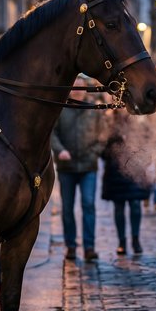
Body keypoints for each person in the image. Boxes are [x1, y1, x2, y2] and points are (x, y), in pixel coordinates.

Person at [51, 77, 107, 262]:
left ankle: (89, 247)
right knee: (67, 209)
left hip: (88, 167)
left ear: (86, 89)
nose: (77, 91)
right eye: (73, 87)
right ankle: (71, 246)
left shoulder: (94, 109)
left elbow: (102, 136)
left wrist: (93, 154)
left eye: (80, 88)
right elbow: (52, 133)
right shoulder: (61, 109)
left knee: (88, 205)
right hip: (66, 167)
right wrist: (60, 151)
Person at [101, 112, 149, 255]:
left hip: (134, 170)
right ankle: (121, 241)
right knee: (119, 207)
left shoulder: (139, 126)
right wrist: (112, 140)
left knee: (135, 205)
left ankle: (136, 239)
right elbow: (103, 153)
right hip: (115, 172)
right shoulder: (109, 126)